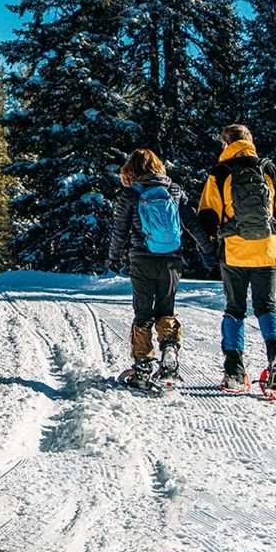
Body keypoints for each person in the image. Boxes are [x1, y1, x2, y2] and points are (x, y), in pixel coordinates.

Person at [196, 124, 276, 391]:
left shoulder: (219, 173)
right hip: (267, 250)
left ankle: (233, 372)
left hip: (234, 252)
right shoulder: (269, 170)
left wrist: (208, 251)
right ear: (250, 141)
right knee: (267, 307)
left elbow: (207, 217)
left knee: (235, 310)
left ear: (226, 144)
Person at [107, 148, 207, 386]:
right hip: (171, 260)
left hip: (142, 259)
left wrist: (113, 256)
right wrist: (208, 250)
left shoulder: (130, 194)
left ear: (131, 169)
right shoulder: (174, 190)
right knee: (166, 309)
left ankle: (142, 368)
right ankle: (170, 353)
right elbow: (191, 222)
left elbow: (120, 230)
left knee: (143, 312)